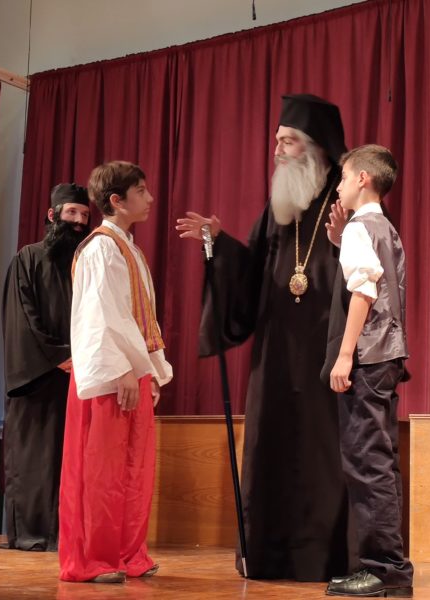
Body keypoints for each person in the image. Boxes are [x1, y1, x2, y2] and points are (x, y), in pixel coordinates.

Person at [176, 94, 353, 581]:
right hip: (276, 356)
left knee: (323, 456)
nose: (277, 150)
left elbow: (370, 273)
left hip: (328, 353)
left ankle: (327, 559)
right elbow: (252, 273)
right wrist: (219, 245)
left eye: (287, 141)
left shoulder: (348, 206)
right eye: (276, 141)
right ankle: (269, 554)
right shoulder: (279, 211)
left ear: (316, 147)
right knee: (270, 449)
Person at [58, 161, 172, 583]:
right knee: (101, 470)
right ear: (116, 200)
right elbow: (99, 315)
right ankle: (93, 558)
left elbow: (138, 315)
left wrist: (150, 371)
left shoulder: (128, 248)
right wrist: (123, 369)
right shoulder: (101, 248)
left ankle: (127, 553)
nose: (150, 198)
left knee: (132, 470)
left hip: (131, 370)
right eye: (141, 191)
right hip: (110, 373)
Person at [323, 145, 413, 597]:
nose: (338, 186)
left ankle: (385, 569)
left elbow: (364, 292)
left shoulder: (362, 226)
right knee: (379, 462)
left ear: (362, 178)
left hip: (369, 356)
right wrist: (341, 243)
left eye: (343, 177)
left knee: (367, 462)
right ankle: (387, 567)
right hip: (387, 357)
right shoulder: (381, 227)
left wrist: (344, 355)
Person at [0, 184, 91, 551]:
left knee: (71, 458)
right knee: (35, 458)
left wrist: (84, 357)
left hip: (80, 375)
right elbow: (23, 317)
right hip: (38, 377)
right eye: (72, 213)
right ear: (53, 215)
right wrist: (57, 356)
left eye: (85, 215)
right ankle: (32, 534)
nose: (79, 222)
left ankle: (65, 534)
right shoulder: (28, 258)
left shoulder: (86, 265)